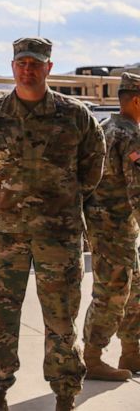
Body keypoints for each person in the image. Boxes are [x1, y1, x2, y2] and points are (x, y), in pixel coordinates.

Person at [0, 37, 105, 411]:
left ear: (49, 67)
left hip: (59, 236)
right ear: (13, 66)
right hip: (5, 237)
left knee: (62, 318)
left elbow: (92, 169)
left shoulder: (75, 115)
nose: (27, 69)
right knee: (0, 318)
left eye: (35, 63)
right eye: (21, 63)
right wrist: (7, 198)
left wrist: (60, 198)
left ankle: (65, 392)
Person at [82, 71, 140, 379]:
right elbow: (137, 188)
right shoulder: (131, 135)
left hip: (108, 226)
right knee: (112, 292)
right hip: (114, 228)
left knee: (135, 288)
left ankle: (131, 353)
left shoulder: (105, 128)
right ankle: (92, 357)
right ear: (135, 100)